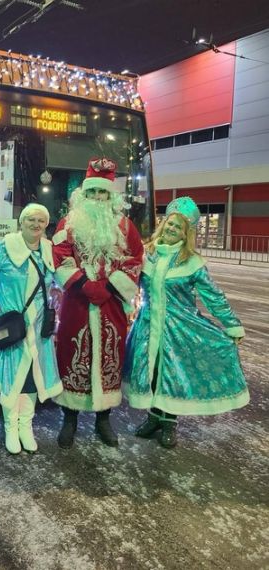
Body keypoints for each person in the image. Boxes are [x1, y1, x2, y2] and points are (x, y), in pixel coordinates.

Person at [123, 196, 249, 448]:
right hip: (147, 327)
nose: (171, 229)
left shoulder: (191, 262)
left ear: (186, 233)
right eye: (169, 224)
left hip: (179, 329)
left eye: (178, 227)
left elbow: (213, 296)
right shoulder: (148, 254)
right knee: (153, 373)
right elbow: (130, 285)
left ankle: (169, 422)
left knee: (173, 375)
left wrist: (232, 325)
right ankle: (153, 418)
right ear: (163, 224)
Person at [52, 158, 144, 448]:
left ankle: (104, 420)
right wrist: (83, 283)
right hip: (76, 303)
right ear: (83, 195)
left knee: (109, 357)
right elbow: (59, 255)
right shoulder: (68, 223)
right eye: (91, 193)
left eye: (102, 193)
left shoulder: (125, 225)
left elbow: (135, 259)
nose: (96, 198)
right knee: (71, 353)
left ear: (110, 196)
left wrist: (109, 286)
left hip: (111, 304)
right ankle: (70, 418)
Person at [0, 203, 63, 454]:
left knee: (33, 380)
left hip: (39, 330)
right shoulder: (7, 247)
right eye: (31, 220)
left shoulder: (47, 249)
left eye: (41, 221)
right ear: (21, 222)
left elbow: (56, 278)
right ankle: (10, 428)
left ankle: (26, 426)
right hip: (13, 326)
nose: (36, 225)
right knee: (12, 378)